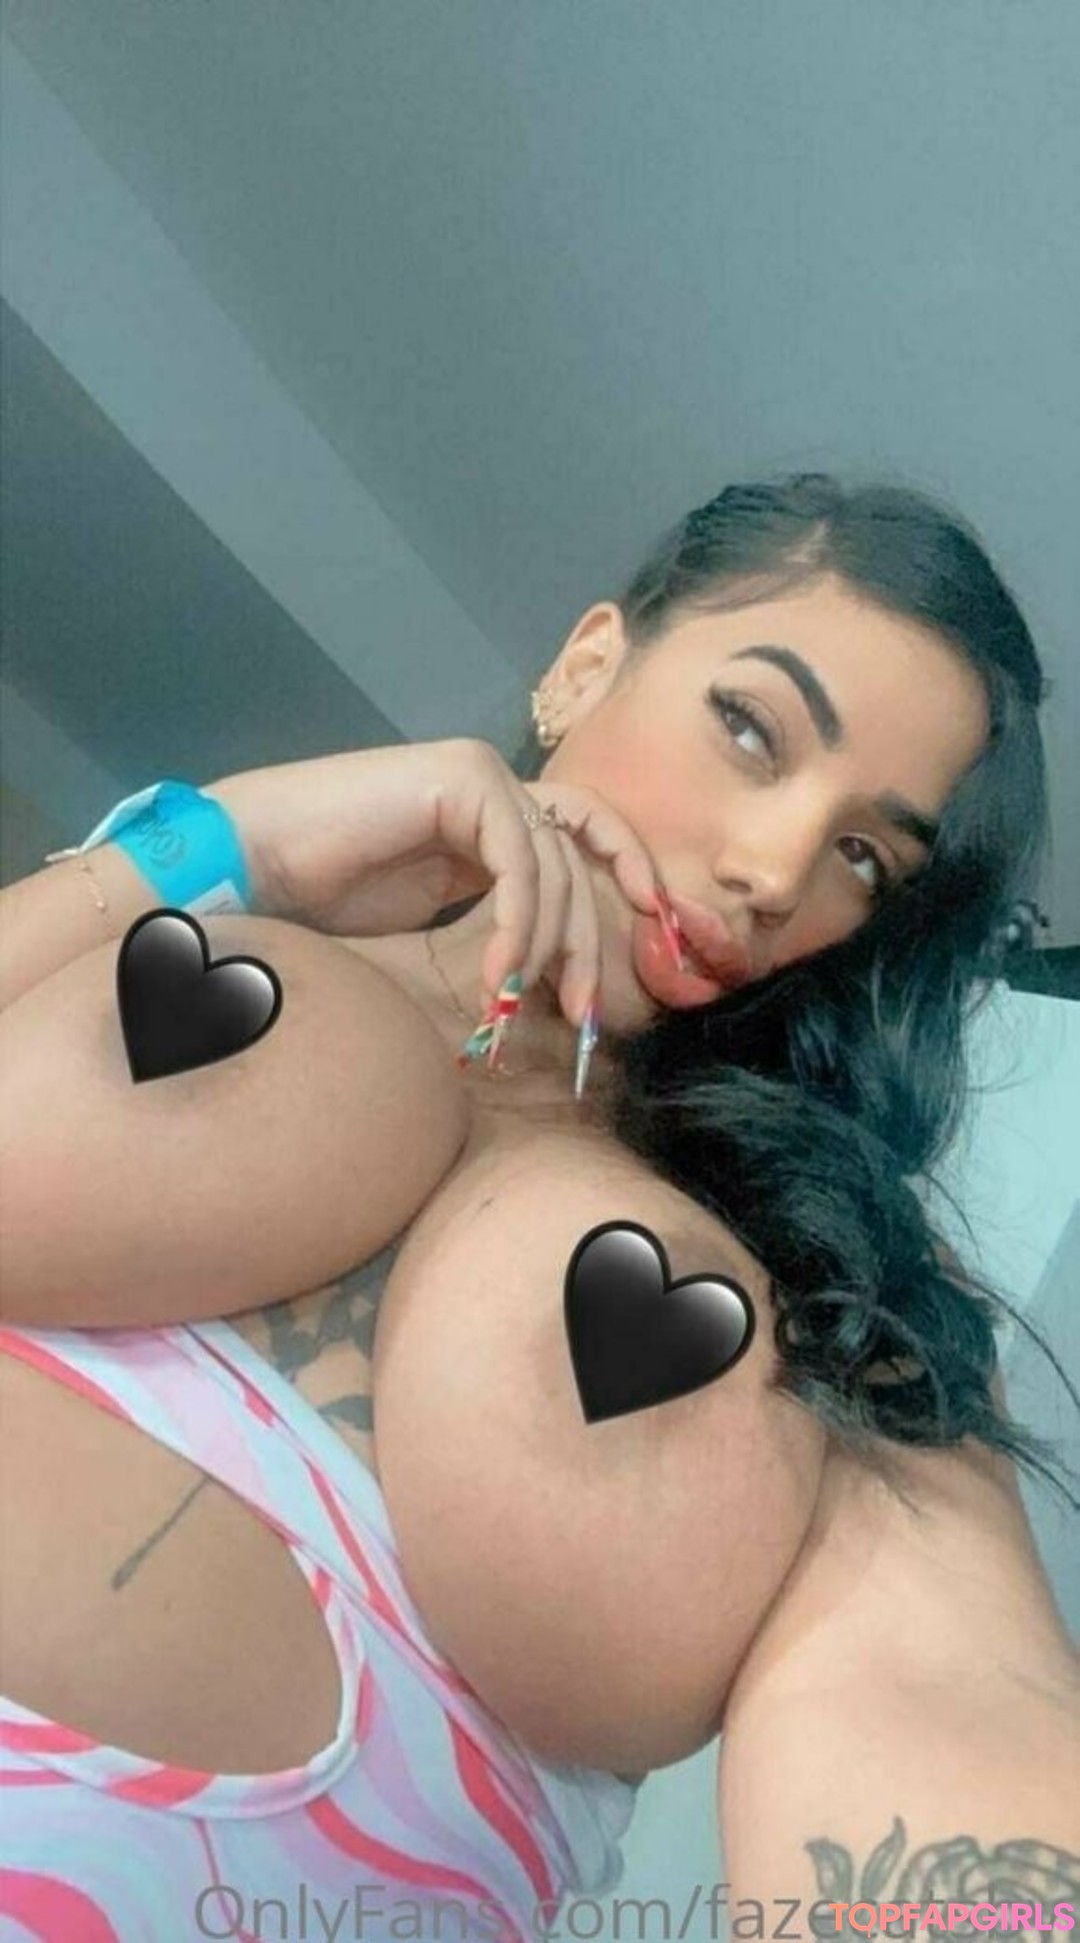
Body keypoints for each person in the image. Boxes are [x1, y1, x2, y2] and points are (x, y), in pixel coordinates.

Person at [1, 473, 1077, 1941]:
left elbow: (942, 1700)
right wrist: (247, 838)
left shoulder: (833, 1267)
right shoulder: (198, 930)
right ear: (585, 666)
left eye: (863, 858)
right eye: (751, 729)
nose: (772, 876)